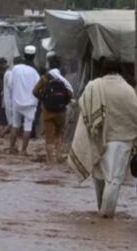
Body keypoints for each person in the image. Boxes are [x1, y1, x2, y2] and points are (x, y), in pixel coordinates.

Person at [69, 60, 137, 218]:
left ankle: (101, 208)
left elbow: (83, 106)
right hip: (121, 142)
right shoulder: (127, 90)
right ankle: (106, 215)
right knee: (113, 180)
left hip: (97, 139)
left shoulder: (94, 86)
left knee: (98, 176)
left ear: (103, 70)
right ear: (119, 71)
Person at [33, 56, 74, 164]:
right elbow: (70, 94)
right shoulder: (62, 79)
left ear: (49, 65)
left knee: (49, 136)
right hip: (61, 111)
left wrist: (44, 99)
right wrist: (64, 103)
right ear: (59, 66)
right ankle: (59, 156)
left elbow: (35, 91)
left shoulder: (45, 78)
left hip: (48, 111)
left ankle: (51, 161)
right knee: (59, 134)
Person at [9, 46, 40, 155]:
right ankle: (23, 151)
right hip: (30, 104)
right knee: (28, 128)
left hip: (17, 103)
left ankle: (11, 148)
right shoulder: (34, 72)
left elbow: (10, 84)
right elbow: (38, 88)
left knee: (15, 125)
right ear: (34, 57)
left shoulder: (16, 69)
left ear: (24, 55)